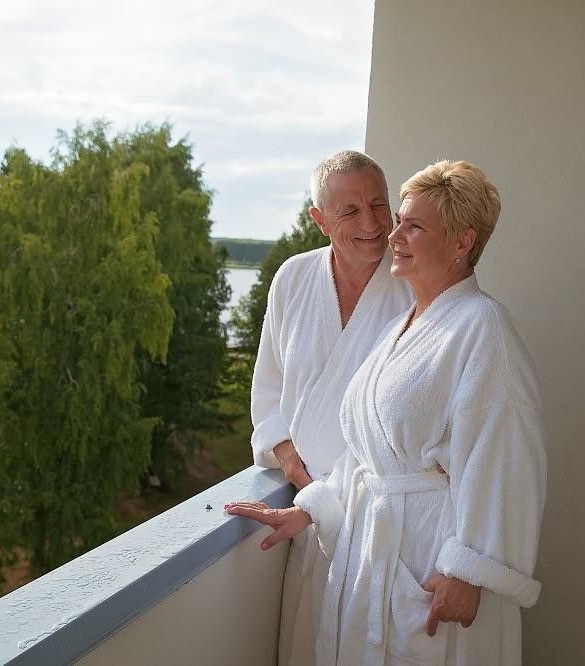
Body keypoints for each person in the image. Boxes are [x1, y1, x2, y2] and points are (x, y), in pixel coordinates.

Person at [229, 160, 547, 665]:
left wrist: (471, 570)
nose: (390, 234)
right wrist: (311, 507)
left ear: (462, 242)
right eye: (400, 220)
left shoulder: (484, 329)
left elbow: (505, 461)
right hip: (372, 550)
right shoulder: (405, 324)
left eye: (411, 225)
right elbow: (368, 452)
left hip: (431, 563)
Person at [250, 150, 412, 665]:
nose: (371, 224)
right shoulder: (293, 280)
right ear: (319, 220)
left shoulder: (414, 284)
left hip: (380, 524)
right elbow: (268, 390)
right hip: (307, 510)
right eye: (350, 211)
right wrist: (292, 465)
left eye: (379, 205)